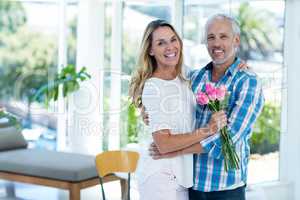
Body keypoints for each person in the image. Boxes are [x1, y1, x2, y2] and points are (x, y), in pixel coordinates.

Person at [149, 14, 265, 200]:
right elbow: (170, 102)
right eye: (211, 37)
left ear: (236, 40)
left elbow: (227, 139)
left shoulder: (248, 82)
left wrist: (173, 150)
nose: (216, 43)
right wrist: (150, 113)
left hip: (226, 189)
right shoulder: (195, 78)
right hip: (192, 185)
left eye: (223, 36)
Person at [129, 19, 227, 200]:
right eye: (161, 43)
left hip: (179, 176)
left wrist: (238, 67)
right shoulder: (154, 87)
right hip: (160, 177)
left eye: (173, 39)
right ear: (150, 50)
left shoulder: (184, 74)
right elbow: (164, 144)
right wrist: (208, 130)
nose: (170, 47)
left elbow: (215, 72)